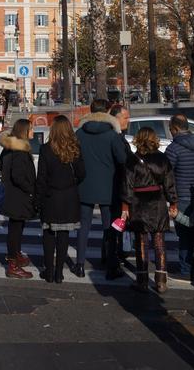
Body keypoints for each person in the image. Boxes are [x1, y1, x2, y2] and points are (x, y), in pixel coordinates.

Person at [74, 99, 127, 278]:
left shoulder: (80, 133)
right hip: (108, 185)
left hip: (84, 184)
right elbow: (122, 159)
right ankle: (110, 265)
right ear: (106, 112)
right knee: (109, 227)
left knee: (83, 227)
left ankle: (79, 264)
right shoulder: (112, 134)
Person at [121, 127, 177, 293]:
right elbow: (169, 183)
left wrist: (125, 205)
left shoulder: (132, 160)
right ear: (154, 139)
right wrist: (173, 201)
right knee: (159, 242)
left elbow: (127, 186)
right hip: (157, 202)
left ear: (138, 139)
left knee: (141, 243)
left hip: (139, 204)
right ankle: (161, 281)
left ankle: (142, 280)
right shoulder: (162, 158)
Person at [37, 115, 85, 283]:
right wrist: (71, 183)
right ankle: (59, 273)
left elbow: (41, 178)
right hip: (69, 196)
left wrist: (38, 199)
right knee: (64, 234)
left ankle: (48, 271)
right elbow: (82, 174)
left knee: (48, 234)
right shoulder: (74, 148)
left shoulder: (45, 149)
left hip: (51, 196)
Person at [0, 118, 36, 279]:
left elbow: (1, 165)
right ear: (24, 131)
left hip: (12, 195)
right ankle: (12, 263)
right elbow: (18, 176)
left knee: (16, 228)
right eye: (31, 129)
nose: (33, 132)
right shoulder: (19, 150)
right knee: (15, 230)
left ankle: (15, 255)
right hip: (18, 196)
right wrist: (30, 189)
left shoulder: (10, 148)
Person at [165, 113, 194, 281]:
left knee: (184, 236)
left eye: (170, 130)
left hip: (181, 197)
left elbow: (167, 175)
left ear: (175, 129)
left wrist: (170, 199)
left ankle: (185, 269)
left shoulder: (173, 149)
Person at [104, 104, 132, 278]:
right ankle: (113, 262)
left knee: (113, 227)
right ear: (116, 119)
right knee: (115, 227)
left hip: (115, 186)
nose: (128, 121)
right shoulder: (115, 137)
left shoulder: (117, 136)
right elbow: (123, 161)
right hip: (116, 187)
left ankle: (110, 257)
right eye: (125, 118)